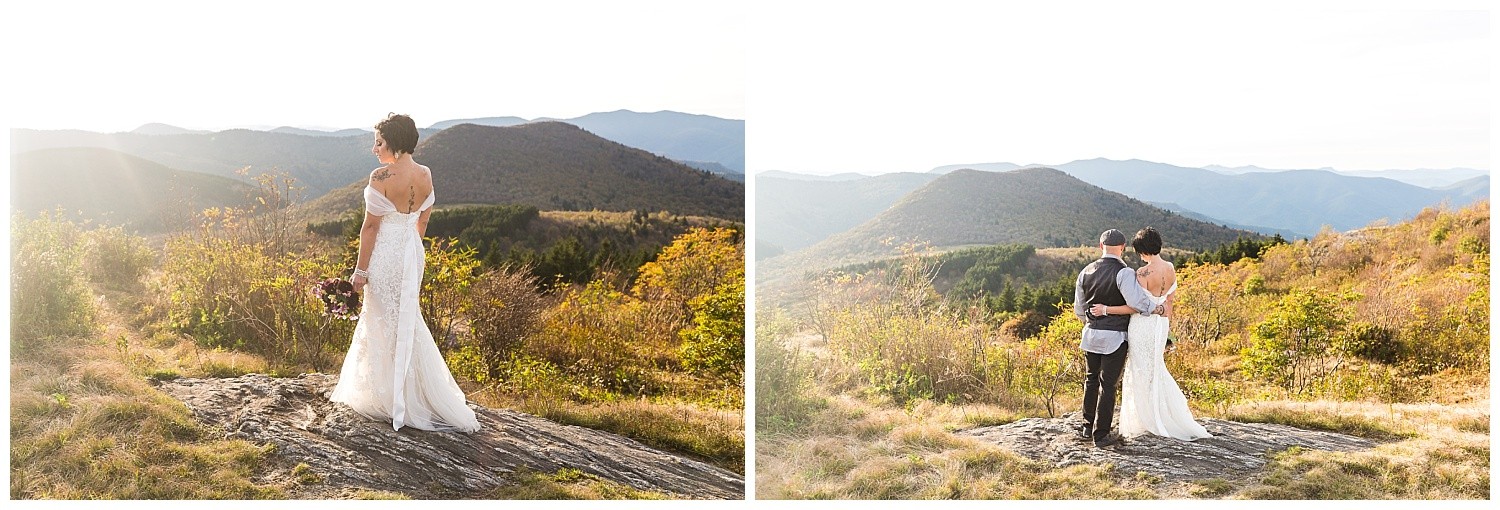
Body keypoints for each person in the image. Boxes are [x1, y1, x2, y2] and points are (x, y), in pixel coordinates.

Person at [329, 113, 480, 433]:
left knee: (381, 320)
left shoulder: (380, 177)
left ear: (394, 144)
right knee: (406, 320)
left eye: (379, 142)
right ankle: (415, 395)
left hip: (385, 256)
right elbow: (422, 222)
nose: (374, 148)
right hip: (412, 253)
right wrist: (409, 252)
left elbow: (370, 227)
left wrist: (360, 271)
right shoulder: (425, 174)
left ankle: (386, 396)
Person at [1090, 228, 1211, 441]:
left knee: (1139, 369)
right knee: (1155, 367)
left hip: (1142, 325)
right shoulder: (1171, 268)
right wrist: (1164, 321)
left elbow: (1136, 307)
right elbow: (1169, 304)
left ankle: (1145, 419)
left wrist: (1106, 310)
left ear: (1142, 251)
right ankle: (1163, 415)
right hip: (1160, 325)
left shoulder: (1142, 274)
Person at [1074, 229, 1165, 448]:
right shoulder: (1123, 272)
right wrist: (1157, 308)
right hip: (1115, 337)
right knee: (1109, 385)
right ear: (1123, 247)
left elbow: (1079, 309)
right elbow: (1137, 303)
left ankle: (1087, 427)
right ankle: (1102, 435)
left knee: (1091, 379)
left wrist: (1093, 321)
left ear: (1100, 245)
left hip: (1091, 334)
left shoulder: (1085, 271)